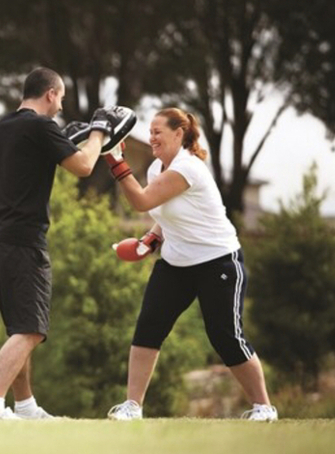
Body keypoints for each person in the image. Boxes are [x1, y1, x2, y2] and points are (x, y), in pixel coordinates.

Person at [0, 66, 137, 419]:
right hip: (24, 240)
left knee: (20, 328)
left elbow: (42, 154)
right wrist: (98, 131)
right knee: (31, 330)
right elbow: (83, 166)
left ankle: (26, 406)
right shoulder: (40, 125)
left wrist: (72, 136)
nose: (61, 106)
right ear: (50, 94)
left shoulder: (3, 127)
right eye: (61, 98)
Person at [103, 107, 278, 421]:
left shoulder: (188, 168)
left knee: (225, 335)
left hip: (218, 261)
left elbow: (141, 201)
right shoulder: (157, 167)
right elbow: (164, 213)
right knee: (148, 328)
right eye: (151, 131)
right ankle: (132, 406)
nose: (152, 137)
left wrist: (114, 160)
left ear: (179, 134)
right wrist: (151, 239)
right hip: (175, 264)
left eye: (158, 131)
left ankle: (264, 407)